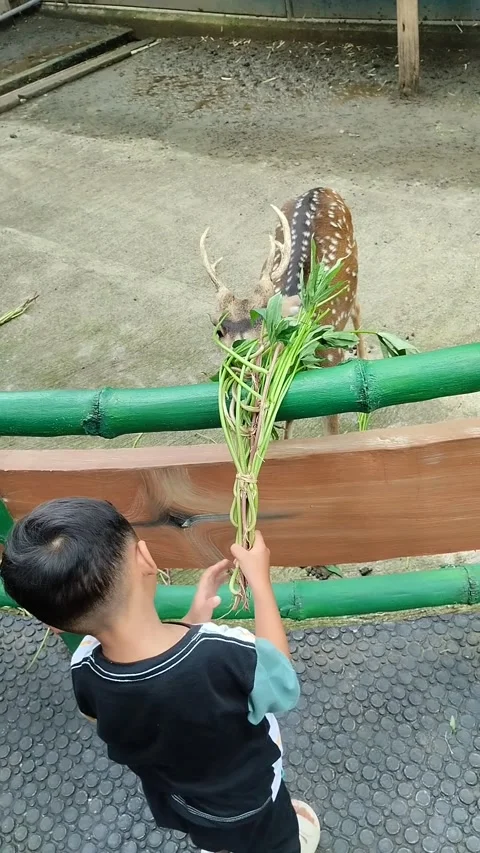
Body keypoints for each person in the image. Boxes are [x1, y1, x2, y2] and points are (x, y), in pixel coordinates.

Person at [1, 497, 321, 853]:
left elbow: (135, 696)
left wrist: (193, 619)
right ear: (146, 560)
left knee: (215, 837)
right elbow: (281, 685)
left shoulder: (84, 668)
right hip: (253, 799)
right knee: (273, 838)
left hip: (185, 802)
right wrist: (261, 582)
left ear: (52, 625)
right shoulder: (224, 651)